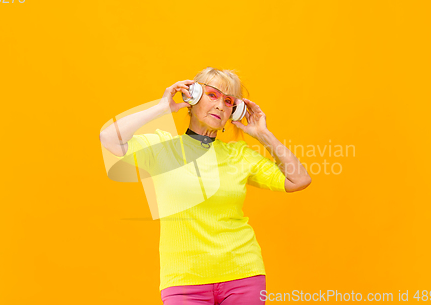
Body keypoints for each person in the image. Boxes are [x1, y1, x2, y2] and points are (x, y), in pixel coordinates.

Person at [99, 67, 312, 304]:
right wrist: (162, 108)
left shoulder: (238, 154)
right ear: (191, 97)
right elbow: (109, 139)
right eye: (212, 95)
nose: (220, 105)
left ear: (235, 111)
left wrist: (263, 134)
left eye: (229, 101)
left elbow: (299, 180)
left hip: (243, 273)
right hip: (183, 281)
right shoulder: (162, 147)